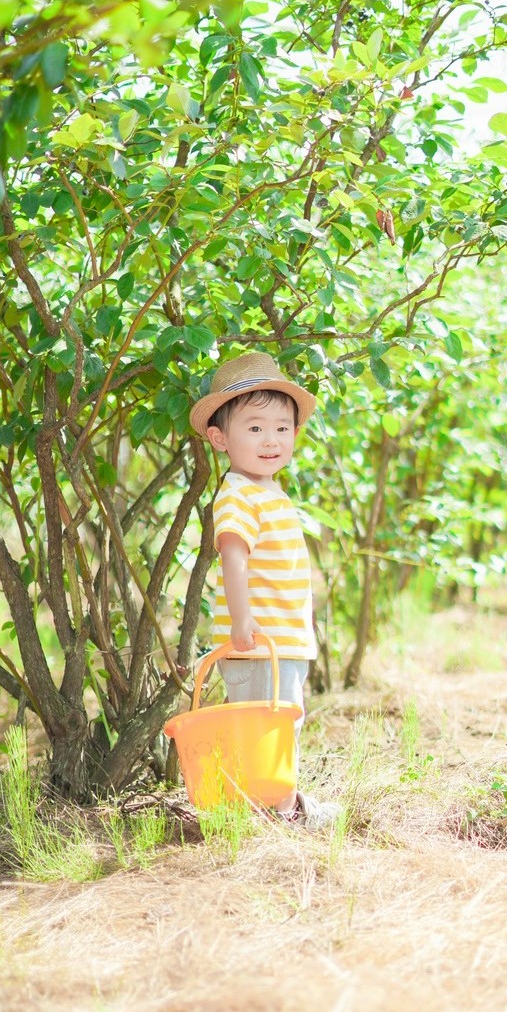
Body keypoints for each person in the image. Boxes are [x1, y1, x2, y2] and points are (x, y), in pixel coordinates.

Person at [189, 351, 338, 828]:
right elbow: (233, 557)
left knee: (282, 721)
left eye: (281, 427)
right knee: (265, 727)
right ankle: (277, 811)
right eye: (254, 428)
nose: (271, 439)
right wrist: (241, 620)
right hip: (257, 642)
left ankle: (276, 806)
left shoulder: (270, 492)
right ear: (220, 438)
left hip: (282, 637)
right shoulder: (238, 493)